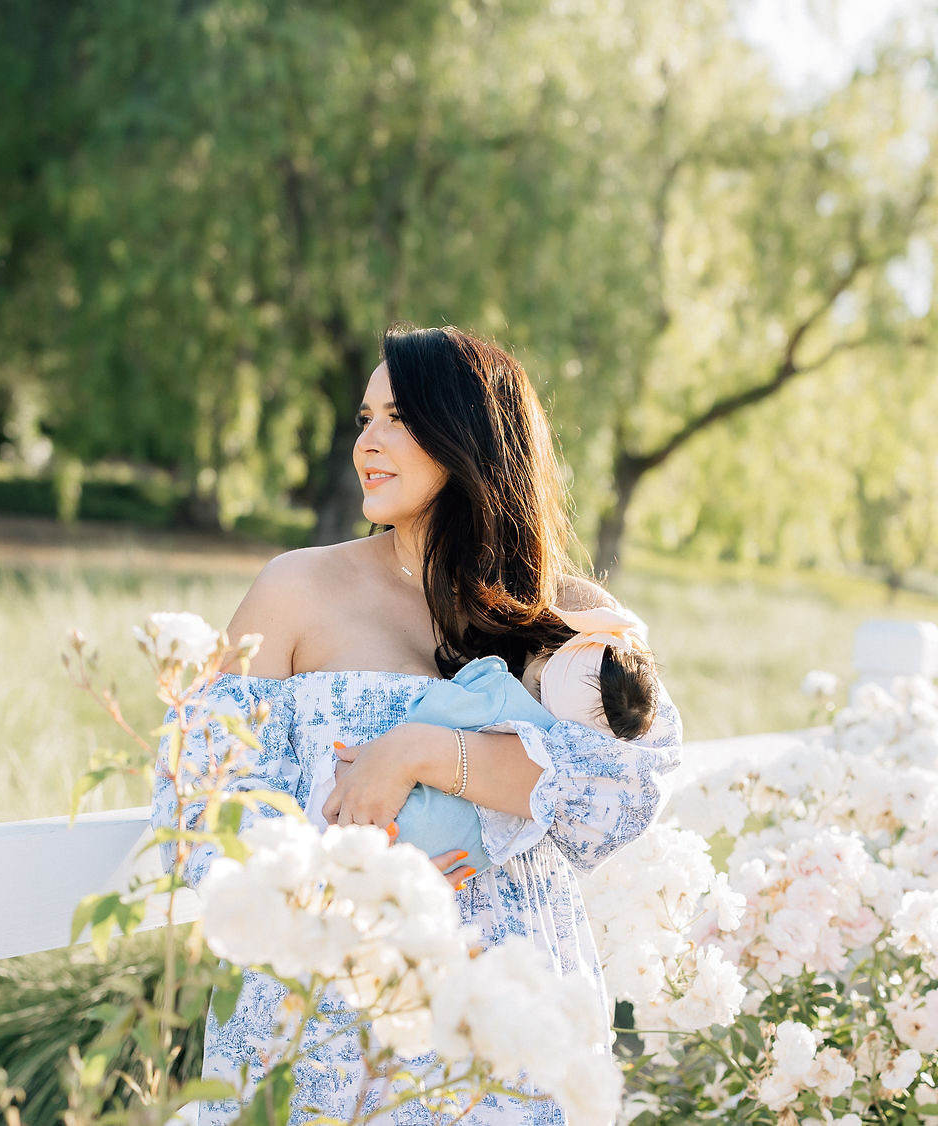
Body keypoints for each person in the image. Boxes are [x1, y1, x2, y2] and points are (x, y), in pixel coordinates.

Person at [151, 324, 683, 1125]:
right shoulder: (295, 589)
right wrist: (344, 892)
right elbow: (197, 793)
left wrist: (422, 752)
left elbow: (626, 790)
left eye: (397, 417)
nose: (368, 441)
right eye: (364, 419)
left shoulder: (568, 617)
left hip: (507, 1017)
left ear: (469, 434)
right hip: (332, 1008)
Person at [303, 598, 660, 877]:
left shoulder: (502, 691)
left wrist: (408, 747)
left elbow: (435, 707)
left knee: (329, 784)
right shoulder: (564, 760)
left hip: (376, 824)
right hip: (458, 857)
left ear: (544, 663)